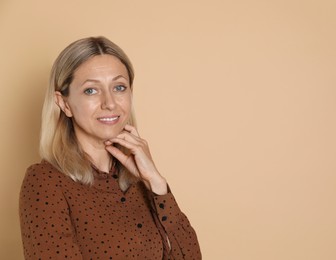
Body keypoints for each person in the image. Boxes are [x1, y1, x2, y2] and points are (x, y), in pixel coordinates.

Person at [19, 36, 201, 259]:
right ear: (64, 103)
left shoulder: (140, 180)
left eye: (119, 87)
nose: (110, 103)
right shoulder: (45, 182)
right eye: (91, 91)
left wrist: (156, 183)